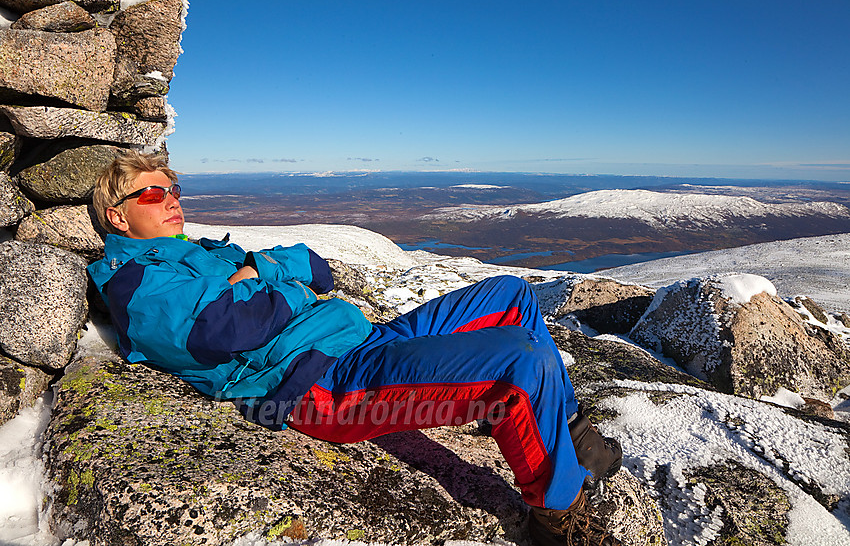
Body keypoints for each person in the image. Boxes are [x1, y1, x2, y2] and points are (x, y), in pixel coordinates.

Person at [88, 151, 624, 546]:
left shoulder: (199, 253)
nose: (172, 203)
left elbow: (317, 268)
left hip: (362, 341)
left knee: (512, 295)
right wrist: (265, 277)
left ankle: (567, 434)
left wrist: (262, 270)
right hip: (325, 383)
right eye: (154, 196)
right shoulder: (137, 283)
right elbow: (227, 329)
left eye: (174, 192)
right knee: (519, 358)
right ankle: (557, 515)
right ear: (117, 215)